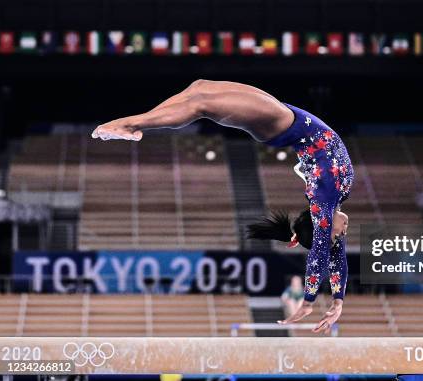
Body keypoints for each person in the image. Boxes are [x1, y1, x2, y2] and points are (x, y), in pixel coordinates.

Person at [91, 80, 353, 334]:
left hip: (280, 124)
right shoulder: (336, 198)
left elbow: (322, 252)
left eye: (335, 234)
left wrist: (308, 301)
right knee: (199, 87)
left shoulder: (324, 198)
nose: (343, 234)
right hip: (287, 115)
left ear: (322, 224)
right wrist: (338, 301)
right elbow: (336, 255)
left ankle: (131, 123)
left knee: (201, 105)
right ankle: (138, 122)